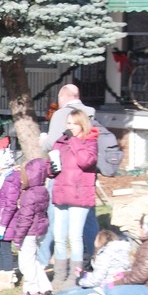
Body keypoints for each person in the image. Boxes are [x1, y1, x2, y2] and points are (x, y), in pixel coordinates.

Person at [37, 84, 98, 268]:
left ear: (63, 97)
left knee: (63, 228)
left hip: (69, 181)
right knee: (85, 222)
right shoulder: (91, 111)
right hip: (81, 182)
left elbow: (53, 145)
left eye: (72, 124)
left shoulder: (61, 114)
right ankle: (91, 256)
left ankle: (43, 259)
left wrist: (44, 141)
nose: (69, 126)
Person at [48, 109, 98, 289]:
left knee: (75, 236)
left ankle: (74, 276)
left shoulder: (90, 142)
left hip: (79, 194)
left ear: (82, 124)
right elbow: (50, 164)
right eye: (68, 123)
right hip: (62, 193)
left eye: (73, 124)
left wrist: (75, 141)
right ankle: (60, 275)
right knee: (59, 236)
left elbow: (86, 161)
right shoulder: (60, 142)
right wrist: (51, 168)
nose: (69, 127)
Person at [87, 213, 148, 295]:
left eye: (141, 226)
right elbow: (142, 270)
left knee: (111, 290)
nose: (139, 229)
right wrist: (123, 274)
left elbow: (140, 276)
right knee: (110, 287)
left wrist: (118, 282)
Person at [4, 158, 53, 295]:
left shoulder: (28, 195)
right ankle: (45, 287)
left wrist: (18, 238)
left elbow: (25, 218)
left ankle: (32, 290)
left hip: (29, 233)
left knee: (26, 263)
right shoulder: (43, 191)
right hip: (40, 230)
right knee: (34, 261)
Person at [51, 229, 132, 295]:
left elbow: (96, 280)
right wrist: (84, 274)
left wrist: (81, 280)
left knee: (73, 293)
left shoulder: (105, 255)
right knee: (73, 290)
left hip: (104, 289)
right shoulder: (123, 252)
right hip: (116, 287)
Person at [0, 148, 20, 287]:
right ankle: (0, 276)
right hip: (0, 219)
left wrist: (3, 224)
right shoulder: (2, 179)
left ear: (2, 165)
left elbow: (10, 204)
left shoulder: (11, 180)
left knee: (5, 250)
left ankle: (7, 276)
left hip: (6, 222)